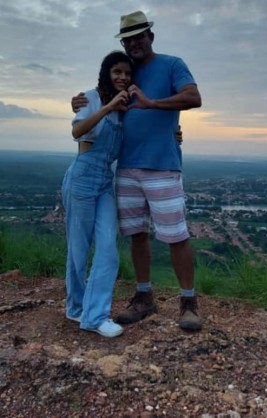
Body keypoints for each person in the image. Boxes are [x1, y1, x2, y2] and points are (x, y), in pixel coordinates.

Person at [71, 11, 202, 331]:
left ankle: (188, 303)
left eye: (139, 37)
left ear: (151, 37)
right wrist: (78, 101)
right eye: (128, 39)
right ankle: (144, 297)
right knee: (137, 235)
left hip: (162, 166)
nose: (134, 43)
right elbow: (99, 94)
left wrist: (151, 103)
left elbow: (193, 97)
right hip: (126, 168)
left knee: (176, 236)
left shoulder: (172, 64)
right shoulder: (124, 72)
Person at [62, 51, 134, 337]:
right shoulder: (90, 98)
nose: (122, 78)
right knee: (79, 249)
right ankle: (75, 307)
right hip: (81, 177)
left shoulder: (127, 105)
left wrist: (174, 135)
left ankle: (95, 316)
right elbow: (77, 131)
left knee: (107, 246)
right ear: (107, 73)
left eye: (127, 74)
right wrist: (107, 107)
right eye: (117, 72)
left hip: (105, 180)